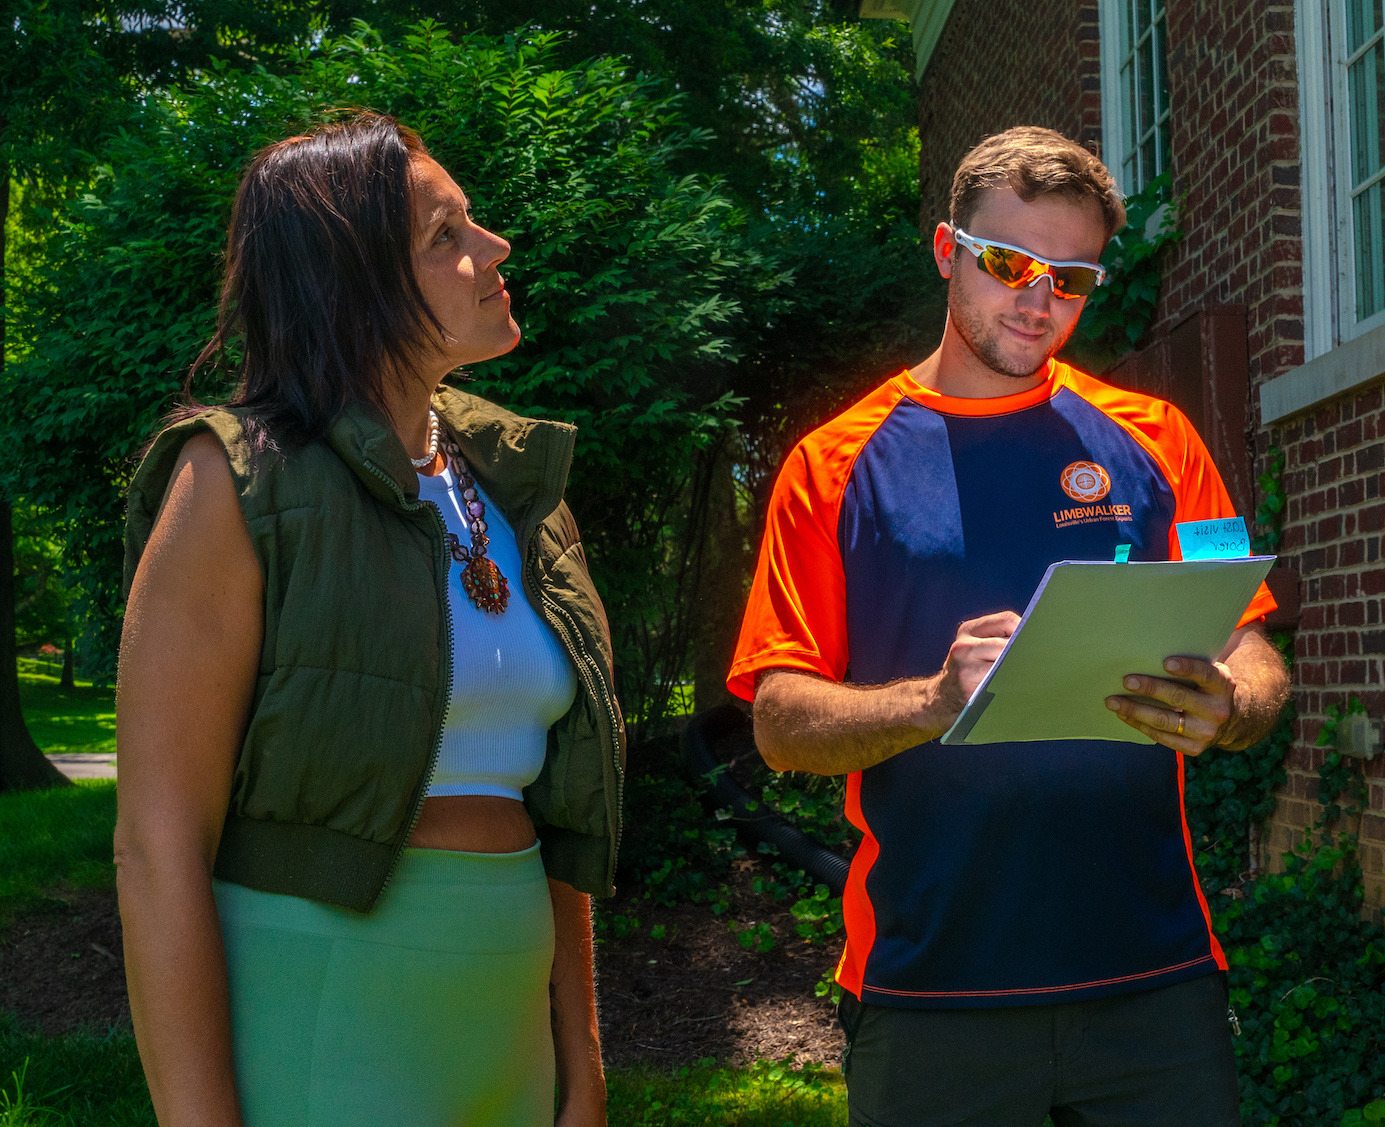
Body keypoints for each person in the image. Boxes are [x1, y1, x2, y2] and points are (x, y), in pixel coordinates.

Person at [727, 126, 1291, 1127]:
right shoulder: (831, 463)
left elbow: (1247, 642)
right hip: (929, 981)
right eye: (1007, 262)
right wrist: (934, 699)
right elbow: (778, 718)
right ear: (947, 250)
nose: (1036, 299)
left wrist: (1233, 701)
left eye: (1069, 278)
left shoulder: (1158, 441)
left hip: (1151, 979)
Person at [114, 113, 621, 1127]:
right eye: (446, 236)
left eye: (471, 223)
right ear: (351, 286)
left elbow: (558, 809)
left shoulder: (518, 485)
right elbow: (154, 842)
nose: (493, 249)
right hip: (325, 1026)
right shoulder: (234, 483)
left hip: (506, 1039)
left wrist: (583, 1068)